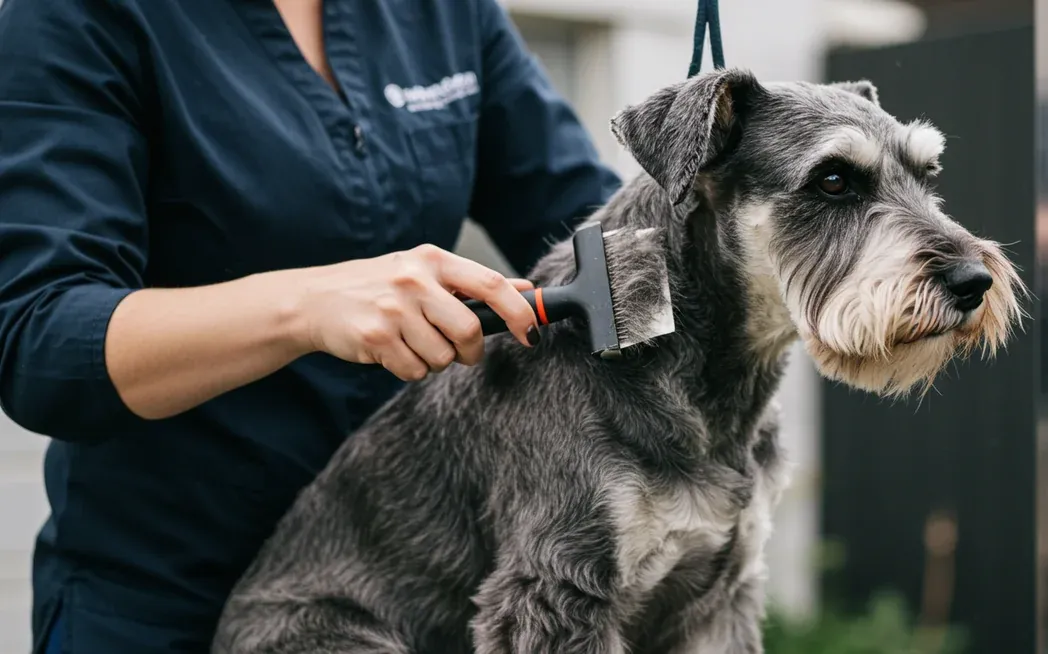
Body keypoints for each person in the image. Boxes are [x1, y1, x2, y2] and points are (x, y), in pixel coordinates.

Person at [0, 0, 623, 650]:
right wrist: (308, 307)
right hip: (163, 608)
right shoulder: (77, 15)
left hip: (390, 609)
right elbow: (42, 338)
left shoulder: (447, 13)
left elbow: (588, 229)